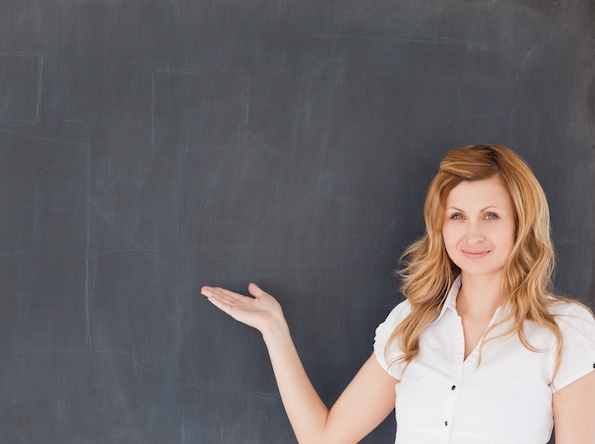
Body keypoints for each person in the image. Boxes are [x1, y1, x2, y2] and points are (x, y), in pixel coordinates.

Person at [201, 144, 595, 444]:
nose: (472, 234)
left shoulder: (564, 330)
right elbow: (324, 438)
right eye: (457, 216)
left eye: (490, 215)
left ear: (520, 224)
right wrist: (274, 329)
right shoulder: (411, 322)